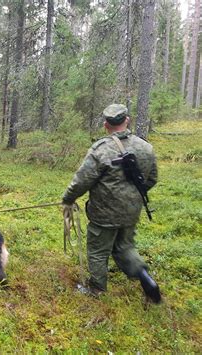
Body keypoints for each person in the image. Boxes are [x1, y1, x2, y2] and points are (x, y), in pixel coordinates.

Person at [62, 104, 161, 303]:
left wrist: (68, 199)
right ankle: (146, 279)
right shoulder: (145, 147)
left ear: (106, 125)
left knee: (98, 250)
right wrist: (131, 197)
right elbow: (152, 179)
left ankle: (97, 289)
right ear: (127, 120)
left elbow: (83, 180)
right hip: (131, 212)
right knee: (125, 247)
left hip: (104, 213)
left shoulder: (101, 150)